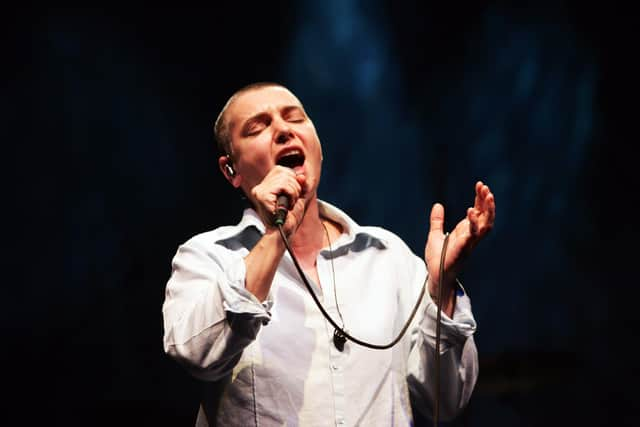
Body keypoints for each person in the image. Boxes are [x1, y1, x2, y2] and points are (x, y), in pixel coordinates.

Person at [162, 82, 496, 426]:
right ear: (230, 170)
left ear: (318, 148)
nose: (283, 130)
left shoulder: (387, 257)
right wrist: (276, 233)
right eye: (258, 127)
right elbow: (198, 355)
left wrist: (442, 290)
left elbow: (447, 399)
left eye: (295, 118)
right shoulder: (206, 257)